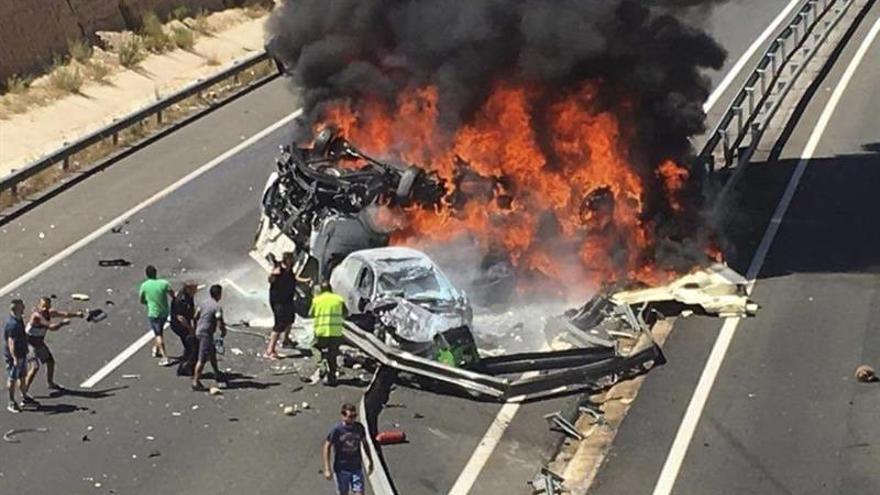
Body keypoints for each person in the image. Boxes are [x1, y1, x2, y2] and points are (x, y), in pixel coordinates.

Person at [24, 297, 84, 392]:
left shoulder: (49, 312)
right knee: (35, 367)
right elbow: (51, 327)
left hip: (39, 343)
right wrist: (62, 324)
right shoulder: (36, 316)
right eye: (43, 306)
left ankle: (50, 383)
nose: (44, 309)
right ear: (39, 306)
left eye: (46, 307)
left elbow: (64, 314)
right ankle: (24, 391)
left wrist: (76, 314)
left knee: (50, 361)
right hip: (28, 344)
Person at [266, 251, 310, 359]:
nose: (293, 261)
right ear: (287, 259)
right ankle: (270, 350)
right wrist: (272, 275)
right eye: (291, 259)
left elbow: (294, 278)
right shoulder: (279, 269)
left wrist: (305, 280)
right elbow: (270, 279)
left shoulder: (289, 269)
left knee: (290, 319)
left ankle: (286, 340)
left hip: (288, 299)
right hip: (278, 301)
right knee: (279, 324)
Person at [323, 402, 373, 495]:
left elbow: (365, 443)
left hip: (356, 467)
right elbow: (327, 446)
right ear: (343, 415)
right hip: (341, 469)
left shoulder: (359, 428)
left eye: (355, 416)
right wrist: (327, 468)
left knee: (359, 493)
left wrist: (370, 460)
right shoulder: (337, 430)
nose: (353, 419)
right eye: (350, 416)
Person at [310, 281, 346, 386]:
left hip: (321, 331)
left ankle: (322, 365)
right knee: (333, 353)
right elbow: (345, 313)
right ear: (331, 289)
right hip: (335, 331)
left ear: (321, 290)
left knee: (315, 347)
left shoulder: (317, 300)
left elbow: (310, 313)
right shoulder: (338, 299)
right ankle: (332, 376)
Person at [192, 284, 227, 391]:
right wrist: (223, 331)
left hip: (200, 331)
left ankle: (216, 372)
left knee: (212, 353)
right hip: (205, 334)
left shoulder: (203, 303)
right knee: (202, 359)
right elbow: (219, 321)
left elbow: (195, 316)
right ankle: (195, 381)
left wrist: (195, 328)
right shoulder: (217, 307)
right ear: (219, 294)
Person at [138, 265, 175, 367]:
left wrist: (148, 302)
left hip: (153, 313)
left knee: (158, 334)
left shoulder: (144, 285)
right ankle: (156, 349)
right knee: (159, 331)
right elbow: (172, 294)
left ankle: (164, 357)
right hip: (164, 312)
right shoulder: (163, 283)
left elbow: (141, 300)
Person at [5, 299, 34, 413]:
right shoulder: (12, 324)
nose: (24, 307)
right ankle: (11, 402)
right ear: (16, 308)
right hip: (15, 356)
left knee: (22, 376)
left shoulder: (19, 319)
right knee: (12, 378)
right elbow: (11, 342)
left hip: (22, 353)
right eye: (21, 305)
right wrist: (15, 357)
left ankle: (24, 396)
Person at [170, 281, 198, 376]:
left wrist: (195, 324)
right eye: (195, 288)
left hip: (186, 324)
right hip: (179, 326)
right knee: (190, 346)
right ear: (188, 289)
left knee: (190, 345)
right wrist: (190, 329)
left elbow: (192, 310)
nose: (196, 290)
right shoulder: (181, 299)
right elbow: (180, 318)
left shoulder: (189, 296)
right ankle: (184, 368)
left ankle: (187, 367)